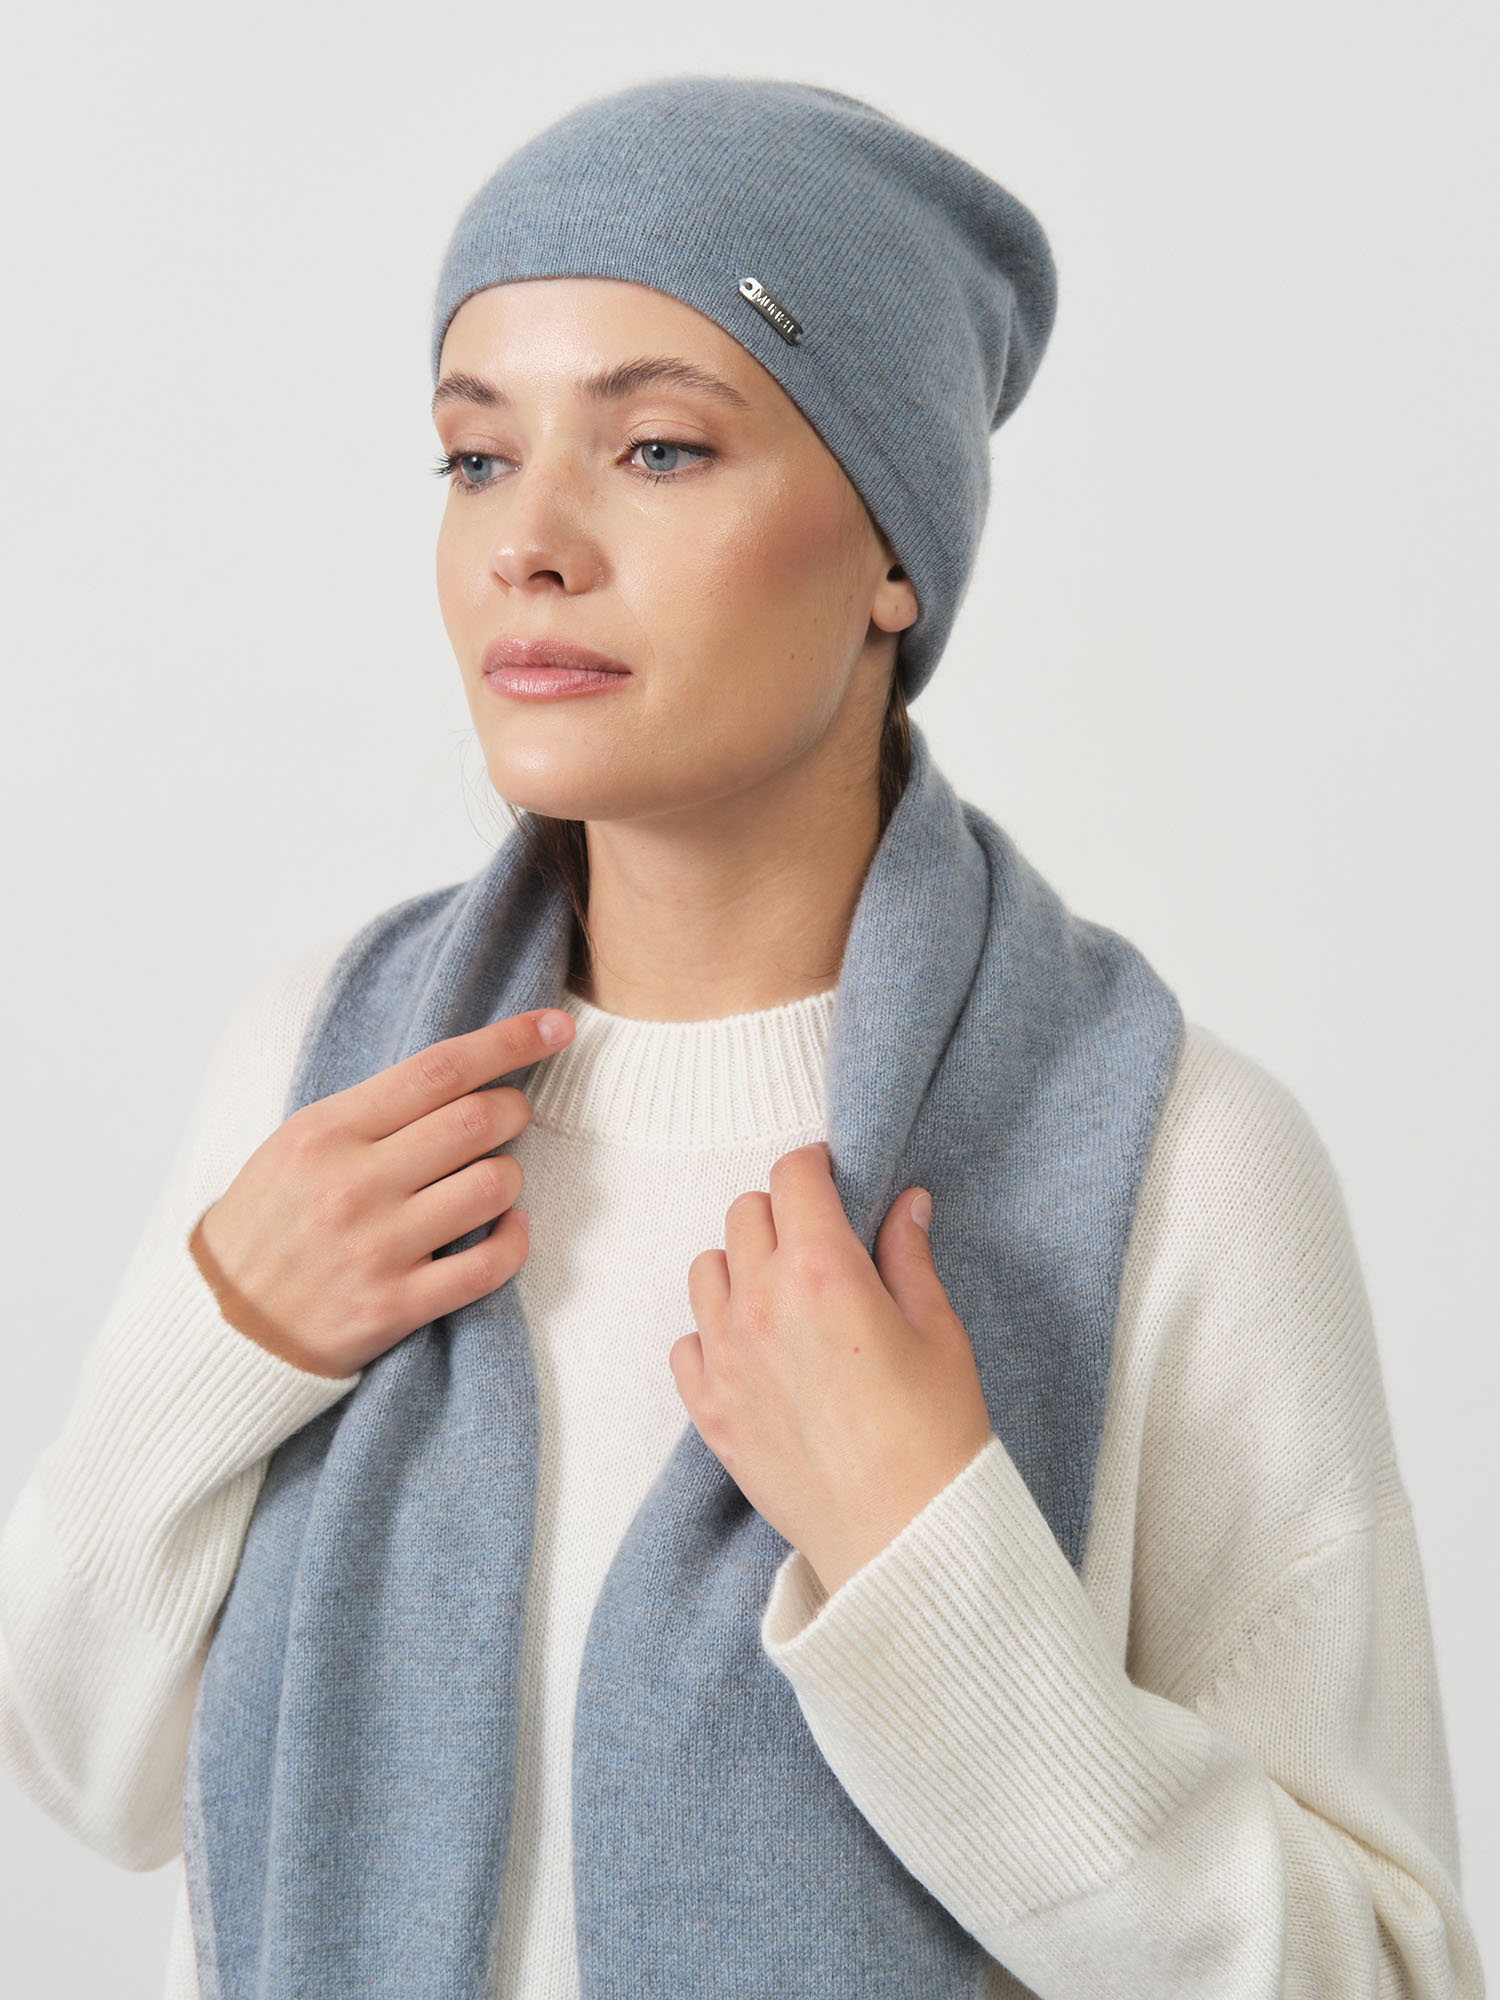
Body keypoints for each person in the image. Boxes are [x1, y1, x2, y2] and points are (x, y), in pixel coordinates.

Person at [0, 75, 1481, 2000]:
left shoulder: (1173, 1162)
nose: (530, 542)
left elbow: (1387, 1974)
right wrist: (224, 1345)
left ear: (892, 552)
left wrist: (931, 1572)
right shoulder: (328, 1072)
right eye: (475, 457)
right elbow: (87, 1774)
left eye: (660, 449)